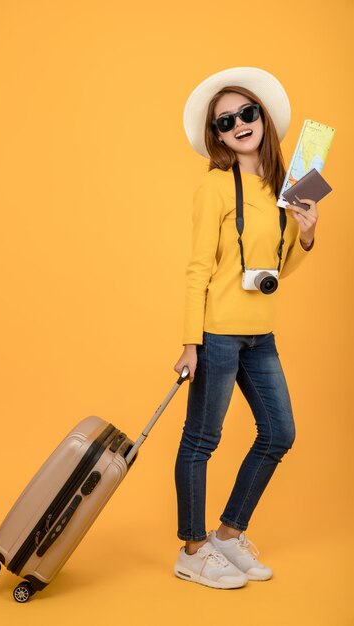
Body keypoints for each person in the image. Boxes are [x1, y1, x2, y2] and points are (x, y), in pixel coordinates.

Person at [172, 67, 318, 590]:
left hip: (261, 332)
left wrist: (305, 236)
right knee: (202, 439)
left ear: (263, 117)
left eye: (246, 112)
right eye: (225, 120)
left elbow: (276, 269)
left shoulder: (285, 186)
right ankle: (192, 548)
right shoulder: (213, 187)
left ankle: (228, 535)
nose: (239, 123)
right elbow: (198, 269)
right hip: (216, 334)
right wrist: (190, 342)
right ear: (217, 134)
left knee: (279, 434)